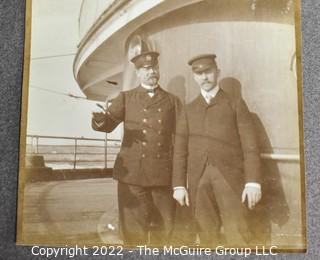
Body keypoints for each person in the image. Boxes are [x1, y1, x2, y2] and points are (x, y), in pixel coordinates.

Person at [91, 51, 187, 247]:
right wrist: (100, 119)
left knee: (163, 232)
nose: (151, 72)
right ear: (137, 73)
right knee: (133, 234)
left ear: (158, 70)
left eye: (154, 68)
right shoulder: (126, 98)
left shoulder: (172, 101)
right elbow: (108, 125)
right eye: (146, 69)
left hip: (162, 175)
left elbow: (180, 142)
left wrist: (179, 181)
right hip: (132, 176)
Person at [173, 54, 262, 246]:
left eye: (208, 72)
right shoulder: (188, 110)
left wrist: (253, 182)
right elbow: (180, 151)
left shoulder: (235, 103)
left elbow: (250, 146)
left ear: (217, 72)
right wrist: (179, 185)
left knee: (238, 234)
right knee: (206, 236)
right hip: (199, 181)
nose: (204, 77)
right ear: (194, 77)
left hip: (230, 179)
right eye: (199, 73)